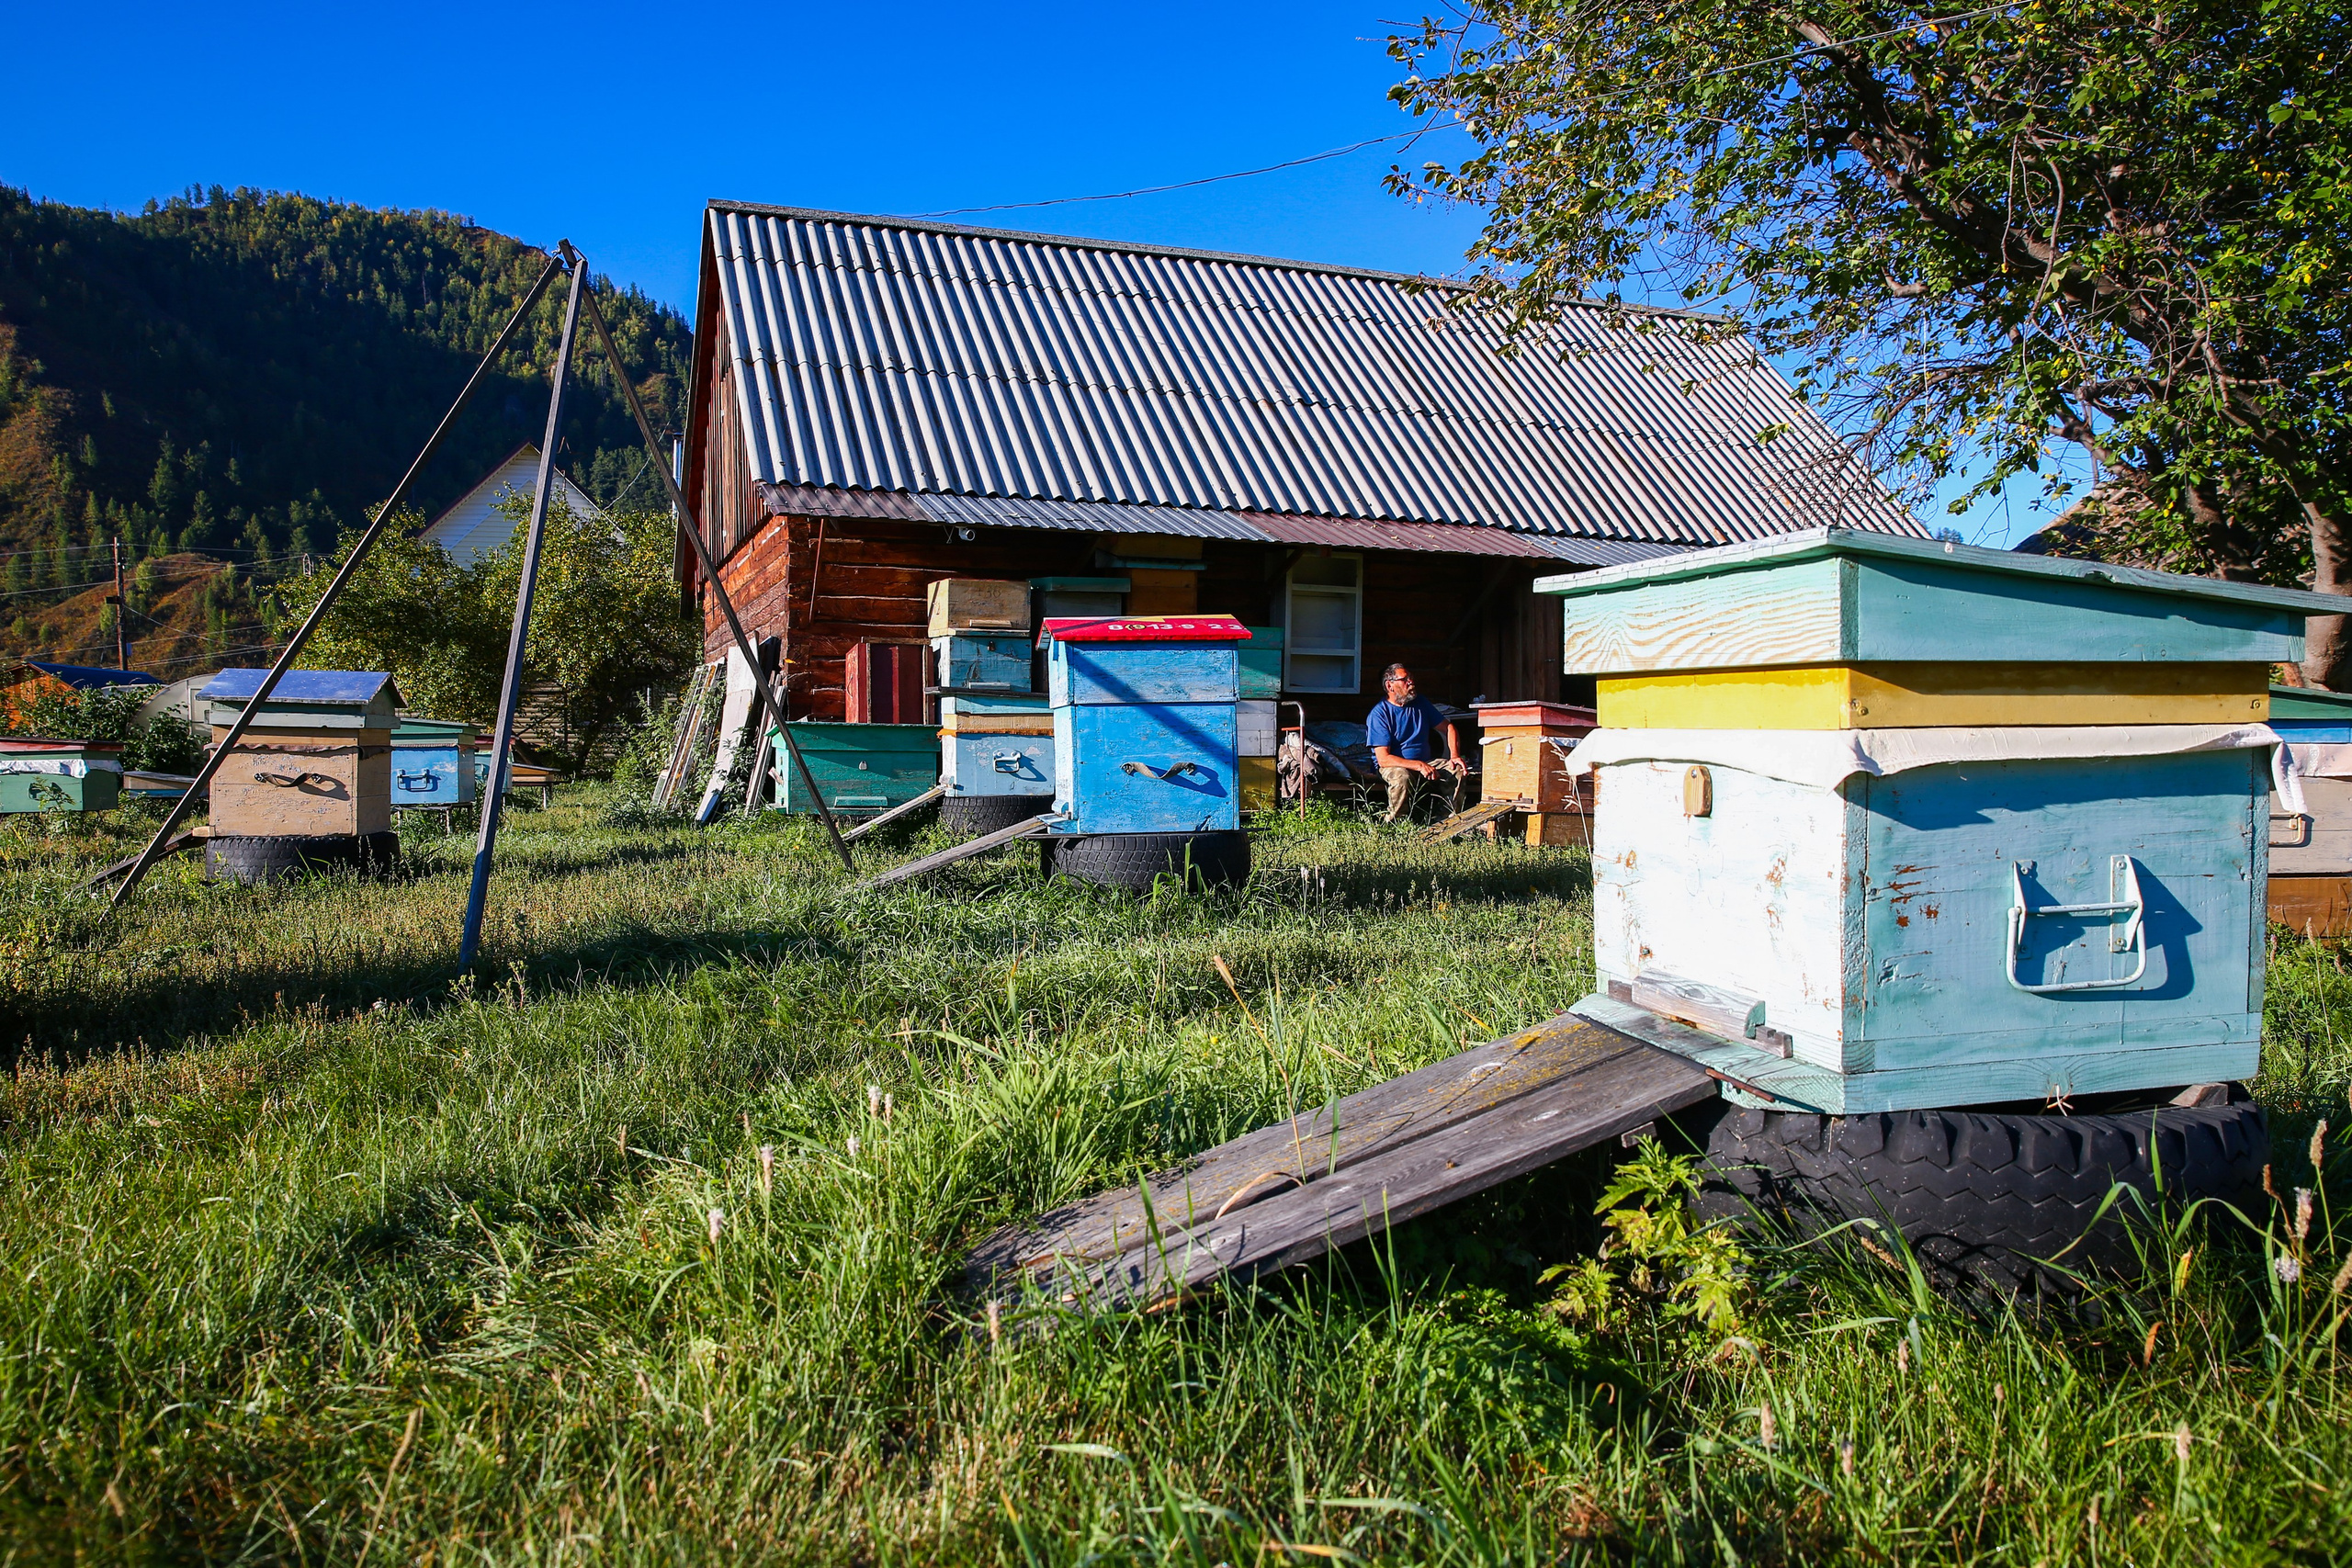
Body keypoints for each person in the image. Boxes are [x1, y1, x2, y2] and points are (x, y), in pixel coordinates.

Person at [1365, 662, 1465, 823]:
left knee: (1456, 769)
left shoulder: (1421, 703)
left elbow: (1449, 728)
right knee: (1401, 776)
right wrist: (1418, 765)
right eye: (1405, 679)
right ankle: (1395, 824)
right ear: (1390, 685)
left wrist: (1454, 756)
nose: (1411, 682)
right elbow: (1383, 759)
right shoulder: (1379, 714)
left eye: (1411, 678)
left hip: (1425, 762)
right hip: (1393, 766)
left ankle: (1448, 821)